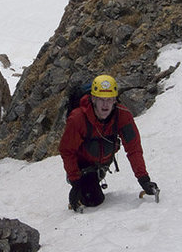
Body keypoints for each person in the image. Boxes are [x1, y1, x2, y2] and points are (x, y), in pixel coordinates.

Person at [59, 74, 158, 211]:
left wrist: (144, 179)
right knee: (93, 200)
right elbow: (67, 150)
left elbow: (133, 148)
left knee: (92, 190)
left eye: (110, 100)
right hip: (82, 165)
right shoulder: (77, 119)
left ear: (115, 100)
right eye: (101, 100)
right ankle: (87, 184)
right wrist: (76, 182)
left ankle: (93, 179)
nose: (105, 105)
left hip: (103, 160)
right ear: (93, 99)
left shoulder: (123, 116)